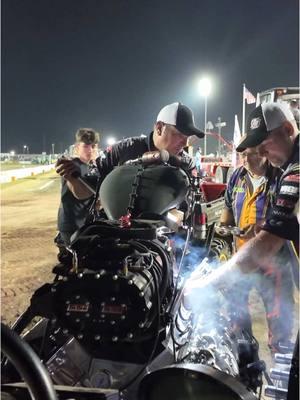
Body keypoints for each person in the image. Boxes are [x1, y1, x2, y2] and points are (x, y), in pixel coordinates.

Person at [219, 145, 294, 352]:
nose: (242, 159)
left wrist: (262, 227)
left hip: (274, 266)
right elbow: (227, 215)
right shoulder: (236, 177)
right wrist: (225, 228)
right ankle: (245, 370)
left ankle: (281, 366)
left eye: (247, 154)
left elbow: (288, 218)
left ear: (262, 153)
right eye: (240, 154)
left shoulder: (281, 177)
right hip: (241, 261)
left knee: (280, 330)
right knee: (237, 326)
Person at [56, 102, 204, 201]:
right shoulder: (123, 150)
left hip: (167, 243)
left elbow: (193, 203)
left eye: (187, 137)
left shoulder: (186, 163)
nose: (185, 142)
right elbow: (86, 191)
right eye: (179, 134)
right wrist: (73, 178)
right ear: (159, 128)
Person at [56, 128, 100, 246]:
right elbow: (79, 193)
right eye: (86, 146)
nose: (90, 150)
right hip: (72, 225)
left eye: (94, 146)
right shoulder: (73, 166)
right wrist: (72, 178)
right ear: (76, 147)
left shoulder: (94, 168)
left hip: (87, 224)